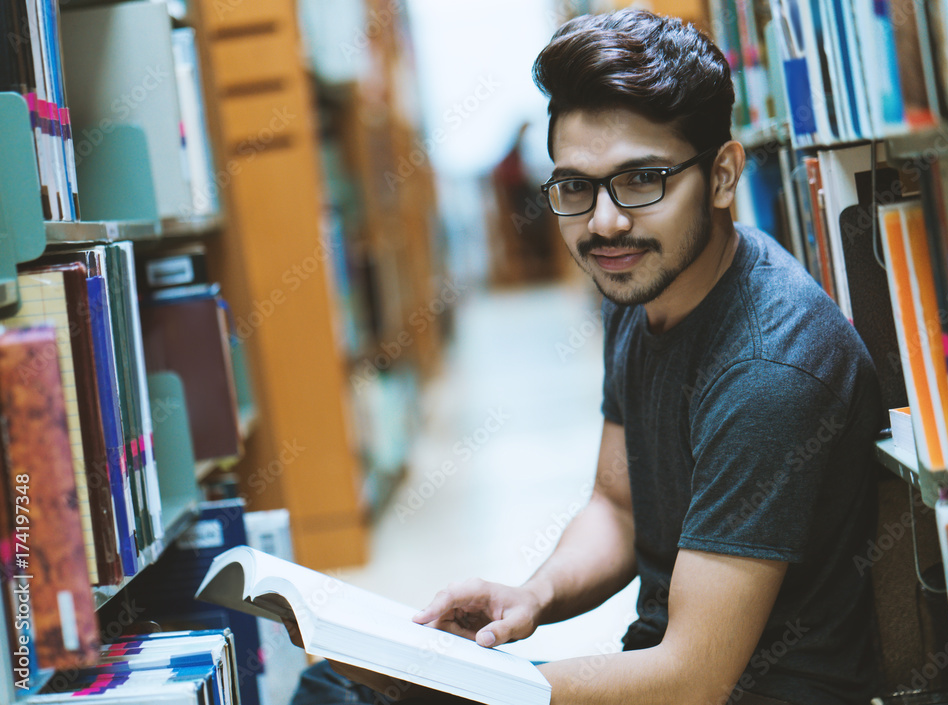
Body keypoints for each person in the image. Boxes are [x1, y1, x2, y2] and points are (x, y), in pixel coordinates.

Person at [293, 8, 883, 705]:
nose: (604, 222)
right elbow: (617, 504)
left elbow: (692, 677)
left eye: (642, 180)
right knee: (332, 680)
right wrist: (532, 594)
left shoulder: (769, 367)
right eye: (576, 186)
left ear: (723, 176)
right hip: (663, 670)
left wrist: (472, 688)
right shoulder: (638, 285)